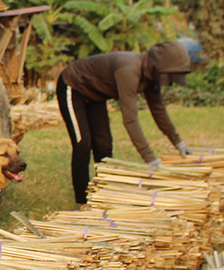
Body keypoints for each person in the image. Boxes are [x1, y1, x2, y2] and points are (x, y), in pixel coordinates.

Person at [56, 40, 194, 205]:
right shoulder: (128, 70)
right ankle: (82, 202)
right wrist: (150, 159)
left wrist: (178, 142)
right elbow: (130, 119)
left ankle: (103, 193)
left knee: (104, 145)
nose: (167, 80)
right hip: (73, 85)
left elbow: (159, 111)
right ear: (157, 68)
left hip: (96, 95)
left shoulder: (150, 77)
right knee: (83, 143)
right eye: (168, 75)